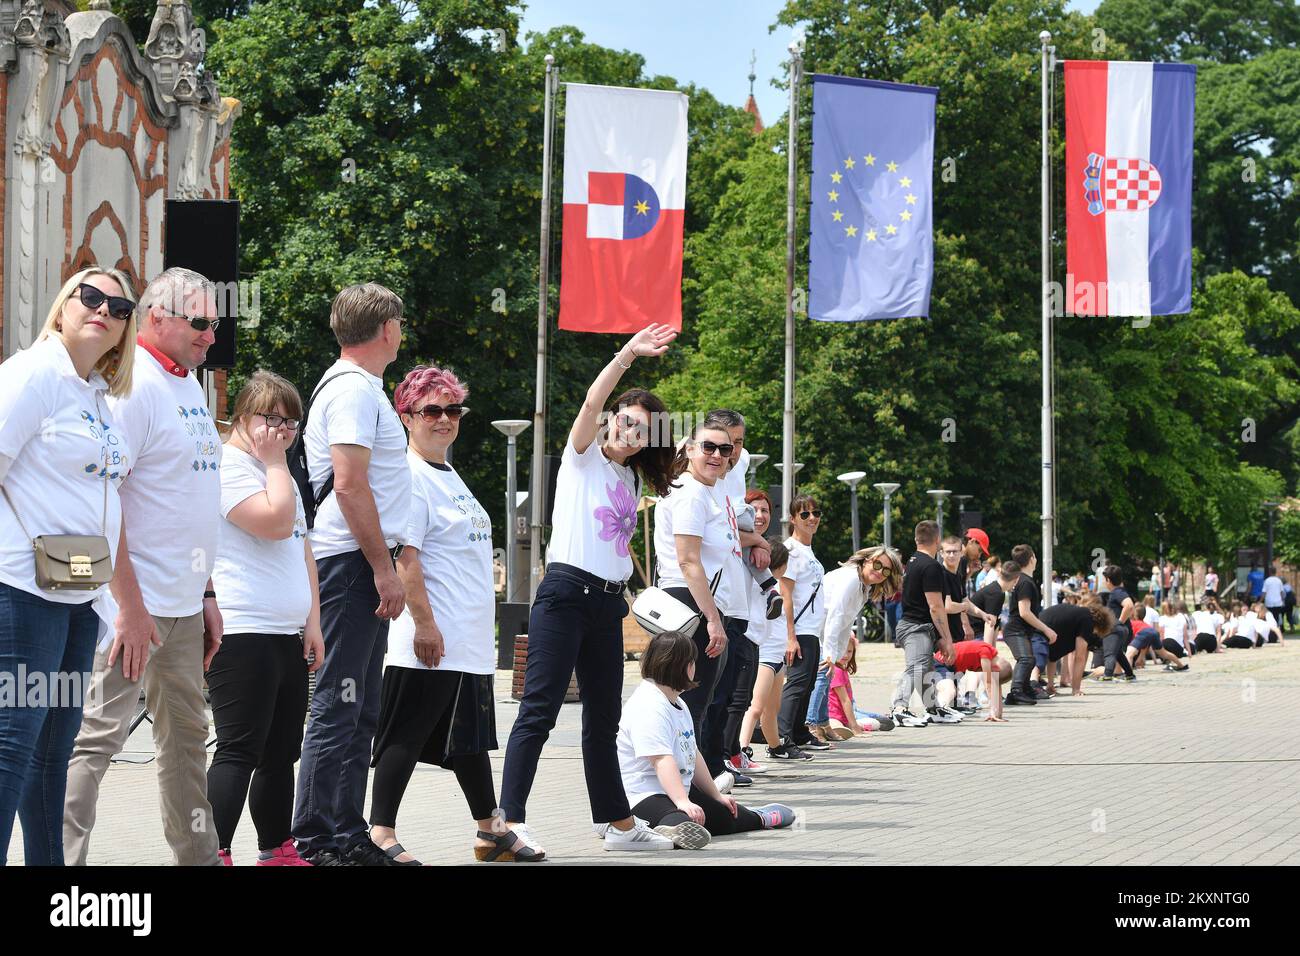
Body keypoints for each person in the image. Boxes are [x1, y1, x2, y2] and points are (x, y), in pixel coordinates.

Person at [63, 267, 223, 867]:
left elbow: (190, 503)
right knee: (93, 743)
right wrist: (128, 608)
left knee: (186, 747)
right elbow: (107, 505)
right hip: (133, 609)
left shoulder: (188, 386)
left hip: (181, 607)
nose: (212, 335)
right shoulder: (132, 388)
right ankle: (61, 867)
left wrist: (206, 593)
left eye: (215, 321)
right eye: (201, 322)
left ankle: (199, 860)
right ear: (158, 319)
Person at [500, 323, 677, 856]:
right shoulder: (583, 455)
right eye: (625, 421)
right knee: (539, 709)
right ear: (611, 419)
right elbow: (590, 399)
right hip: (564, 594)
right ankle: (508, 820)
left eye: (642, 430)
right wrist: (626, 355)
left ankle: (618, 824)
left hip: (607, 602)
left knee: (605, 719)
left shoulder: (630, 479)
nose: (630, 433)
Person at [368, 365, 540, 864]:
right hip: (429, 636)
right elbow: (407, 559)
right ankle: (380, 833)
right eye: (431, 410)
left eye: (452, 409)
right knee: (405, 734)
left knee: (467, 740)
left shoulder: (448, 472)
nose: (444, 419)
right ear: (406, 417)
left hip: (464, 640)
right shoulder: (410, 476)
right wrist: (423, 623)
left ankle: (490, 829)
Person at [0, 268, 136, 865]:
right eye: (90, 296)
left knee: (54, 752)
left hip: (79, 592)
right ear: (63, 307)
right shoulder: (33, 374)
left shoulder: (96, 396)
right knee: (12, 745)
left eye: (120, 305)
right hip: (22, 589)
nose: (103, 309)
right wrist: (25, 547)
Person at [292, 283, 412, 867]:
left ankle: (345, 828)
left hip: (355, 562)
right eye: (401, 324)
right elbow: (348, 483)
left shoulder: (359, 388)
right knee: (338, 706)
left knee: (359, 705)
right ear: (387, 329)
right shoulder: (354, 392)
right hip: (350, 564)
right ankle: (318, 838)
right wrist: (383, 569)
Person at [207, 372, 323, 866]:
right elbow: (276, 524)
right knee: (239, 749)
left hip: (285, 633)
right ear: (242, 418)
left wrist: (313, 622)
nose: (280, 430)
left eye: (290, 422)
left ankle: (276, 847)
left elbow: (304, 550)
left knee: (281, 753)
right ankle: (212, 849)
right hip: (241, 630)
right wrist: (277, 462)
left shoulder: (279, 473)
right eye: (270, 418)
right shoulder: (227, 467)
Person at [617, 631, 795, 850]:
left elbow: (693, 753)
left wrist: (715, 795)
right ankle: (655, 829)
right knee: (679, 818)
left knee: (724, 815)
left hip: (675, 791)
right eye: (693, 662)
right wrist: (683, 801)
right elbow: (661, 760)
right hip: (641, 795)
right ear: (682, 665)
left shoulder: (677, 703)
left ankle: (760, 818)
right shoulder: (649, 705)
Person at [654, 422, 736, 775]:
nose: (717, 455)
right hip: (689, 604)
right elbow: (688, 561)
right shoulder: (690, 492)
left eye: (725, 449)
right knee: (692, 701)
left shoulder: (701, 492)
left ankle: (689, 784)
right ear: (688, 449)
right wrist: (713, 619)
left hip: (693, 602)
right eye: (708, 447)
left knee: (689, 702)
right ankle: (686, 788)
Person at [698, 409, 761, 789]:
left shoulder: (736, 470)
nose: (731, 452)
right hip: (711, 599)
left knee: (727, 692)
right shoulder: (696, 485)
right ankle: (705, 767)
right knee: (708, 693)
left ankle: (719, 759)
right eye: (723, 445)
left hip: (735, 598)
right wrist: (752, 539)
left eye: (736, 443)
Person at [813, 545, 905, 737]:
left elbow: (847, 621)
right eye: (877, 564)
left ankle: (824, 724)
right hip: (813, 631)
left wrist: (837, 655)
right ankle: (813, 727)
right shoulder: (851, 578)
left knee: (826, 677)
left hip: (822, 634)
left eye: (886, 570)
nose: (880, 572)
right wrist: (830, 653)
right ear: (866, 560)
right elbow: (835, 615)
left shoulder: (864, 586)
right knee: (822, 677)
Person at [773, 494, 829, 754]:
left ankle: (799, 732)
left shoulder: (807, 551)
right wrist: (790, 636)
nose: (812, 519)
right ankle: (783, 737)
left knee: (807, 683)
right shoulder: (792, 551)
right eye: (804, 514)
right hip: (799, 628)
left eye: (816, 513)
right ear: (793, 519)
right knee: (796, 684)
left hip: (812, 628)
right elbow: (786, 594)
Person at [890, 521, 957, 727]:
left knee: (925, 669)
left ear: (916, 539)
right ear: (937, 540)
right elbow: (936, 606)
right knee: (916, 668)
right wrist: (946, 638)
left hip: (912, 624)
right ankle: (899, 708)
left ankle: (932, 707)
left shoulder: (912, 561)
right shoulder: (931, 566)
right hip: (916, 627)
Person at [738, 534, 793, 763]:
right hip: (764, 655)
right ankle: (742, 747)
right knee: (756, 707)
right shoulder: (762, 584)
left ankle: (775, 746)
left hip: (777, 655)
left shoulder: (776, 585)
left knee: (772, 710)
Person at [1001, 544, 1057, 705]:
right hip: (1015, 630)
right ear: (1032, 558)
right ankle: (1016, 691)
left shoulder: (1024, 580)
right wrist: (1046, 629)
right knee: (1026, 659)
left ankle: (1025, 689)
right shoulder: (1025, 582)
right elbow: (1024, 612)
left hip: (1020, 630)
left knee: (1030, 659)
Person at [1038, 598, 1113, 696]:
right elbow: (1079, 657)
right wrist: (1076, 689)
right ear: (1100, 625)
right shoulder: (1087, 620)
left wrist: (1050, 684)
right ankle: (1074, 689)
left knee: (1051, 657)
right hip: (1042, 630)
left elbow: (1053, 657)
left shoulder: (1079, 614)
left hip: (1039, 625)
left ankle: (1050, 686)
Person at [1156, 600, 1195, 666]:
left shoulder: (1165, 618)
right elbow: (1185, 637)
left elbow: (1161, 637)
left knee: (1166, 641)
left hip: (1172, 645)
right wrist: (1189, 652)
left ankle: (1166, 658)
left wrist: (1189, 652)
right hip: (1176, 648)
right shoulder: (1179, 617)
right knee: (1166, 641)